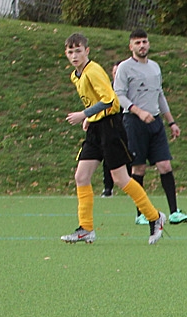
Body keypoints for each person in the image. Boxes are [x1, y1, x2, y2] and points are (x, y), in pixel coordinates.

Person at [58, 33, 166, 245]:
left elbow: (109, 100)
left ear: (87, 51)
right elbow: (95, 100)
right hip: (96, 128)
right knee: (81, 176)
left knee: (120, 179)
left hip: (110, 127)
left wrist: (84, 114)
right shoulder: (76, 75)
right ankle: (86, 228)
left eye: (78, 51)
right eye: (71, 52)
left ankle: (154, 217)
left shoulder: (93, 70)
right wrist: (90, 118)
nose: (74, 56)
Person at [111, 29, 187, 224]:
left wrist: (171, 121)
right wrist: (139, 112)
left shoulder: (155, 67)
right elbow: (119, 95)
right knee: (139, 168)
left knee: (165, 165)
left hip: (155, 122)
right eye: (137, 43)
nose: (142, 46)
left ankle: (174, 212)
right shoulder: (124, 68)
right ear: (131, 46)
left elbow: (159, 94)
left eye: (144, 42)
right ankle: (141, 214)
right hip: (134, 122)